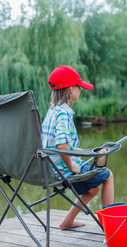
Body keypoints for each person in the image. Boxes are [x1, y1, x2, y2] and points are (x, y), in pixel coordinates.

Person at [41, 65, 114, 230]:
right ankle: (110, 223)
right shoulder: (64, 114)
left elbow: (59, 146)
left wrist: (90, 152)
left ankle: (67, 222)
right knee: (107, 175)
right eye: (80, 88)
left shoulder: (51, 112)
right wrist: (71, 166)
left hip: (50, 169)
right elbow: (61, 145)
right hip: (63, 171)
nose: (81, 91)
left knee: (94, 188)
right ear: (72, 89)